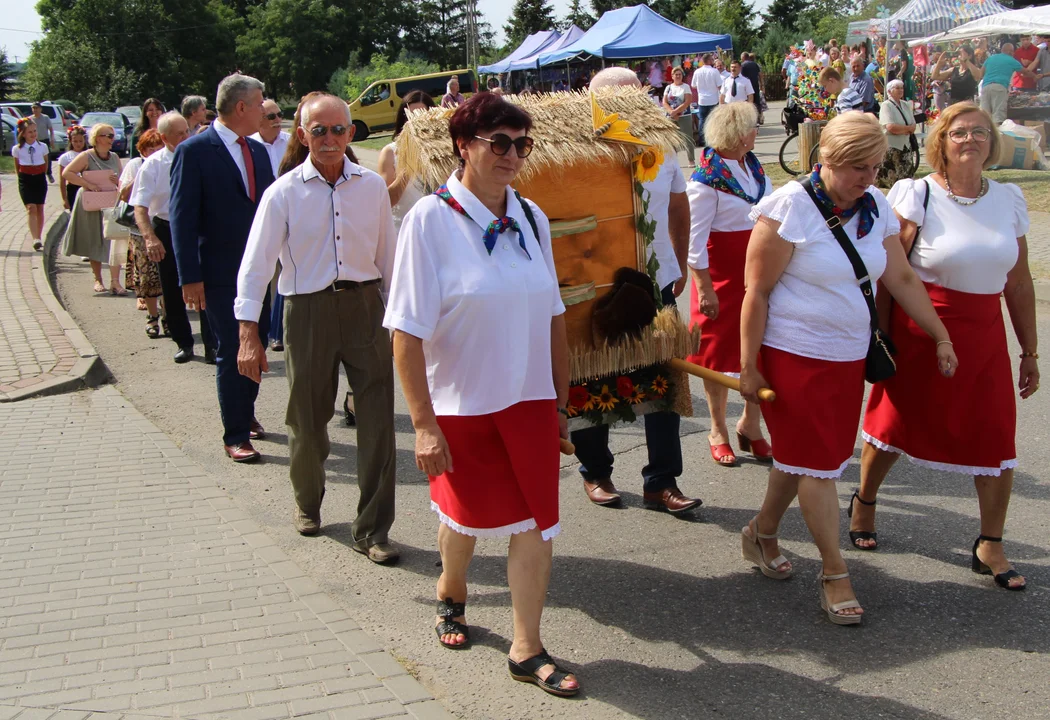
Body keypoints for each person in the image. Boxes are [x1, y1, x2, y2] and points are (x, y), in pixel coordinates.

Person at [384, 91, 579, 697]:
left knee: (535, 524)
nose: (513, 155)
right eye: (500, 143)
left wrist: (562, 406)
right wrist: (422, 423)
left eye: (522, 144)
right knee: (465, 521)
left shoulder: (531, 217)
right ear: (464, 146)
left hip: (528, 402)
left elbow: (553, 317)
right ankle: (452, 589)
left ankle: (527, 647)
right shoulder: (430, 221)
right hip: (461, 405)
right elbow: (406, 332)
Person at [738, 113, 957, 625]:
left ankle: (760, 534)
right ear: (826, 161)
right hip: (793, 357)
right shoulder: (788, 207)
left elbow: (900, 276)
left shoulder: (875, 205)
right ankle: (835, 572)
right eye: (857, 168)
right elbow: (757, 292)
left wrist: (940, 334)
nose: (868, 179)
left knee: (806, 458)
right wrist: (748, 368)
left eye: (876, 167)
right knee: (818, 465)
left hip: (846, 358)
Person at [854, 104, 1038, 592]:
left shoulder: (1009, 199)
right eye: (959, 132)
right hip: (921, 330)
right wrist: (885, 339)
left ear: (992, 142)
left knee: (995, 434)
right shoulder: (918, 195)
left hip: (984, 338)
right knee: (894, 423)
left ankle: (990, 543)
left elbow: (1018, 284)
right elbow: (893, 277)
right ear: (942, 141)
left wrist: (1030, 350)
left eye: (980, 132)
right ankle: (865, 502)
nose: (971, 140)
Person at [236, 93, 399, 562]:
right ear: (302, 134)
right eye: (319, 130)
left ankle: (373, 529)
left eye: (339, 130)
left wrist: (405, 322)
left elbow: (389, 258)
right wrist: (249, 333)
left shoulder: (371, 187)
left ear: (352, 133)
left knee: (378, 423)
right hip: (306, 311)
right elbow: (255, 267)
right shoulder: (283, 192)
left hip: (366, 307)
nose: (329, 139)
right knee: (307, 421)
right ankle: (308, 502)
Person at [569, 67, 699, 514]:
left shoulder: (660, 144)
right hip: (596, 284)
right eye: (623, 98)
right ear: (595, 102)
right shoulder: (576, 151)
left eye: (640, 95)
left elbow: (679, 207)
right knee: (594, 376)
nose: (637, 104)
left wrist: (679, 261)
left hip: (656, 281)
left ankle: (661, 481)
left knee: (663, 379)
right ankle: (596, 471)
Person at [170, 73, 274, 463]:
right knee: (234, 347)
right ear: (242, 106)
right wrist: (190, 277)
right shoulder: (195, 151)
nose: (265, 109)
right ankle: (235, 432)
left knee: (258, 341)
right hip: (217, 273)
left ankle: (245, 411)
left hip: (259, 271)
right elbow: (182, 218)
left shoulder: (259, 151)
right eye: (261, 102)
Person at [686, 102, 773, 467]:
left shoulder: (752, 166)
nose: (758, 132)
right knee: (717, 358)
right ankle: (718, 429)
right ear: (739, 134)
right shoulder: (705, 182)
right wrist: (704, 289)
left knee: (760, 349)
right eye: (754, 127)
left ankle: (751, 426)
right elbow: (693, 243)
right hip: (720, 278)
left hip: (760, 277)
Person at [131, 113, 214, 362]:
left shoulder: (200, 157)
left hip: (198, 228)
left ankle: (213, 345)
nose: (185, 137)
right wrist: (150, 237)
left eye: (186, 131)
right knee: (172, 287)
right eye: (179, 134)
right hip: (166, 228)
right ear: (164, 137)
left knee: (206, 286)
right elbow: (140, 207)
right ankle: (184, 342)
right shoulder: (153, 165)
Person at [249, 98, 292, 353]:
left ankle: (278, 332)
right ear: (259, 120)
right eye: (271, 117)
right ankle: (260, 328)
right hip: (261, 219)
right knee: (263, 276)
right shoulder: (250, 146)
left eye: (279, 115)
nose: (278, 121)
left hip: (292, 220)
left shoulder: (291, 143)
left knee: (284, 276)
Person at [61, 124, 124, 294]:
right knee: (94, 240)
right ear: (98, 138)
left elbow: (122, 179)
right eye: (108, 136)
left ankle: (115, 282)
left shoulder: (115, 157)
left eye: (113, 135)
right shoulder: (86, 156)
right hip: (91, 202)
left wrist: (116, 180)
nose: (112, 139)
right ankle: (98, 279)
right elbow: (67, 173)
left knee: (113, 240)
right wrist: (87, 184)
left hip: (110, 202)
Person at [120, 129, 166, 337]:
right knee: (148, 277)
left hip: (163, 226)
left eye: (159, 147)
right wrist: (141, 175)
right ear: (143, 150)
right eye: (151, 148)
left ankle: (168, 317)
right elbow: (123, 195)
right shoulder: (136, 165)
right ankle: (152, 317)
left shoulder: (165, 163)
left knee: (166, 277)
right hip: (141, 231)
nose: (155, 152)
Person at [11, 118, 48, 251]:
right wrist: (22, 177)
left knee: (39, 208)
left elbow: (45, 164)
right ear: (23, 133)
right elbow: (17, 167)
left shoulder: (42, 147)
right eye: (29, 132)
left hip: (39, 179)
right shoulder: (17, 149)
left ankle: (39, 235)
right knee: (31, 208)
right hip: (25, 179)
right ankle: (35, 238)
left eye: (34, 131)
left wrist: (41, 174)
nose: (33, 134)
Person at [878, 79, 917, 188]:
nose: (900, 90)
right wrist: (907, 129)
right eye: (897, 88)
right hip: (892, 147)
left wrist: (905, 129)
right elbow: (890, 127)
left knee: (907, 179)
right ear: (890, 91)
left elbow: (913, 125)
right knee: (893, 181)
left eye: (901, 88)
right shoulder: (886, 105)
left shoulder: (905, 105)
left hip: (906, 146)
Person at [980, 44, 1033, 124]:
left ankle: (985, 135)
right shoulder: (1011, 60)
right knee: (998, 117)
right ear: (1011, 52)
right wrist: (1035, 76)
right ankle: (998, 135)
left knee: (984, 116)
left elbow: (981, 73)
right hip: (999, 87)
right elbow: (1026, 71)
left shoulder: (991, 58)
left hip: (985, 87)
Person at [662, 66, 695, 164]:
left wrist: (676, 111)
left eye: (679, 74)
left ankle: (691, 159)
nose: (678, 76)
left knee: (688, 137)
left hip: (684, 116)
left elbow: (687, 101)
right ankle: (673, 161)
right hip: (671, 116)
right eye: (676, 74)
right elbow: (664, 102)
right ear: (672, 76)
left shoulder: (686, 87)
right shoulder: (668, 88)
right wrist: (671, 112)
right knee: (672, 139)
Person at [691, 53, 723, 146]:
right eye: (712, 60)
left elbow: (693, 85)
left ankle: (702, 140)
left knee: (702, 120)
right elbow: (719, 85)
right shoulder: (714, 71)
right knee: (714, 120)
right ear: (709, 61)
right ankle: (714, 138)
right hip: (713, 98)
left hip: (702, 99)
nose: (713, 61)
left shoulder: (697, 72)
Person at [58, 125, 87, 211]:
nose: (78, 144)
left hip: (87, 187)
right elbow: (62, 180)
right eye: (75, 141)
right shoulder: (65, 157)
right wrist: (64, 199)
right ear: (70, 141)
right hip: (73, 188)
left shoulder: (89, 154)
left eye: (80, 141)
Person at [29, 103, 56, 184]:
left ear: (40, 109)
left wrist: (52, 140)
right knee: (35, 156)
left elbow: (51, 129)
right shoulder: (30, 119)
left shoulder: (45, 118)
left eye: (37, 108)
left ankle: (49, 173)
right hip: (34, 141)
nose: (35, 110)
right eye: (33, 108)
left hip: (44, 140)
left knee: (47, 157)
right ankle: (36, 173)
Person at [740, 52, 764, 123]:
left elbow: (741, 76)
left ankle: (749, 118)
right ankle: (758, 117)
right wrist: (762, 85)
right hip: (755, 85)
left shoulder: (742, 65)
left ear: (743, 58)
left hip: (746, 87)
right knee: (756, 102)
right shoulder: (755, 64)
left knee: (748, 102)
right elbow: (760, 75)